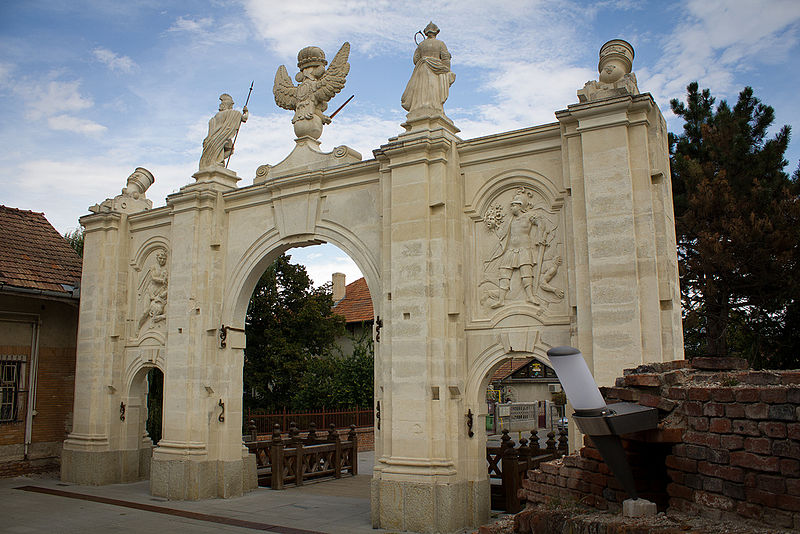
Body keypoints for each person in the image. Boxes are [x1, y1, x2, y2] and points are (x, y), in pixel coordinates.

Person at [401, 21, 456, 115]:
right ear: (436, 32)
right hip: (436, 71)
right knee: (433, 89)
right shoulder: (441, 44)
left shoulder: (421, 45)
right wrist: (446, 70)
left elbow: (415, 59)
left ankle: (419, 107)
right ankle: (434, 107)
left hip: (422, 69)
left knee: (421, 88)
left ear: (426, 32)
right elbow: (445, 58)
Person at [199, 93, 248, 169]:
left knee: (228, 150)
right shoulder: (232, 113)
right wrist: (246, 112)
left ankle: (217, 161)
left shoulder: (215, 117)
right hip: (223, 136)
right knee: (230, 150)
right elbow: (244, 118)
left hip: (213, 138)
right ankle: (218, 162)